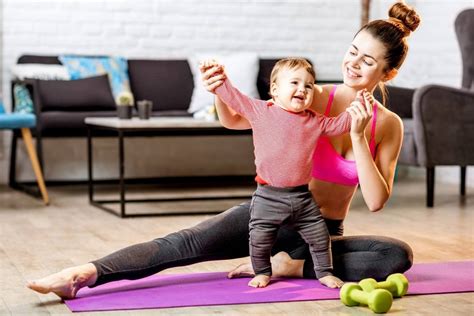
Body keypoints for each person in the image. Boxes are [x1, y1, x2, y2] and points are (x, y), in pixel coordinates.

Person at [27, 1, 420, 299]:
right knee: (183, 243)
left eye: (367, 60)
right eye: (352, 51)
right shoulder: (310, 94)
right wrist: (219, 90)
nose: (353, 64)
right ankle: (82, 274)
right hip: (267, 211)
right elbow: (236, 120)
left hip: (317, 232)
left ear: (388, 73)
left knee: (395, 256)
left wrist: (356, 135)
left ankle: (290, 264)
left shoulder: (387, 125)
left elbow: (375, 201)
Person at [201, 57, 354, 288]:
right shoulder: (261, 110)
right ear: (274, 89)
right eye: (294, 82)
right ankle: (262, 272)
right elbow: (234, 97)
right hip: (268, 196)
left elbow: (339, 125)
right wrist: (218, 77)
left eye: (308, 85)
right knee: (260, 238)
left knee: (320, 237)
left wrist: (359, 108)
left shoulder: (314, 120)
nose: (302, 89)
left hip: (302, 197)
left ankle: (324, 272)